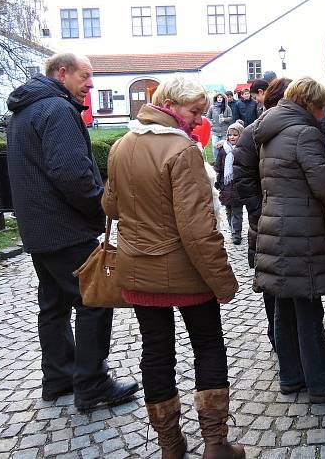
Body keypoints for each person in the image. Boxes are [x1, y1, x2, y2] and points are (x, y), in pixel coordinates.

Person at [102, 76, 244, 459]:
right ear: (168, 105)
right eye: (194, 111)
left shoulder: (121, 146)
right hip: (186, 272)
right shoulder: (183, 151)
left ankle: (170, 446)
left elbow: (110, 207)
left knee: (156, 352)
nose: (198, 119)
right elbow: (198, 229)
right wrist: (224, 281)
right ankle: (215, 444)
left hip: (139, 270)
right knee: (208, 345)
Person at [6, 52, 139, 410]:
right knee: (94, 299)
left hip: (38, 228)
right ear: (61, 73)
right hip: (64, 228)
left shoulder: (24, 111)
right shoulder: (57, 110)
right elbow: (72, 174)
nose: (91, 83)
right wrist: (102, 206)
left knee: (54, 303)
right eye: (85, 75)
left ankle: (59, 377)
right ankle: (92, 383)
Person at [252, 77, 325, 403]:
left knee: (284, 305)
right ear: (308, 104)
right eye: (320, 108)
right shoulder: (304, 133)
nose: (322, 115)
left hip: (274, 227)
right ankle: (320, 380)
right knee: (307, 307)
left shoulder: (270, 131)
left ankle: (291, 375)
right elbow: (324, 186)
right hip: (298, 231)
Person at [233, 77, 291, 352]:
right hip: (263, 223)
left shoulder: (292, 131)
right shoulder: (252, 134)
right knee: (271, 287)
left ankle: (289, 343)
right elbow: (243, 179)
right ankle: (278, 340)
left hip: (284, 222)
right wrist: (259, 212)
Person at [214, 121, 245, 245]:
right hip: (226, 186)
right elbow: (218, 167)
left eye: (235, 135)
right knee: (228, 210)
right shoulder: (223, 151)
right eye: (230, 135)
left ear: (241, 136)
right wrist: (218, 183)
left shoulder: (243, 151)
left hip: (238, 186)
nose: (231, 137)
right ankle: (232, 228)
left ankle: (236, 234)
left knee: (237, 212)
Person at [206, 92, 233, 158]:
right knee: (215, 146)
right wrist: (210, 122)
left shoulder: (227, 107)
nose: (219, 99)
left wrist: (224, 119)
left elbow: (230, 117)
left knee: (224, 147)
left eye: (221, 97)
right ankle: (216, 161)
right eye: (218, 97)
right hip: (215, 131)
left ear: (223, 99)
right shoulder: (212, 108)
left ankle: (223, 162)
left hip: (224, 131)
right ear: (216, 98)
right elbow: (208, 117)